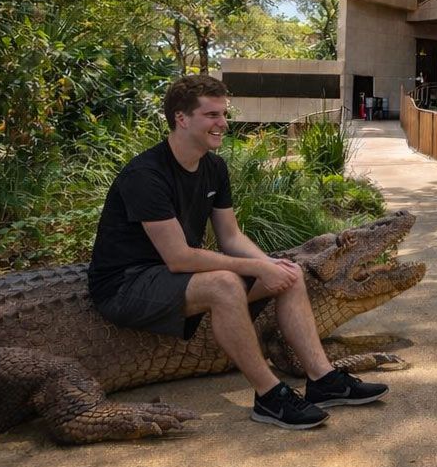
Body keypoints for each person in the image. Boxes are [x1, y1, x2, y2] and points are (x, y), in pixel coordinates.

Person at [88, 74, 388, 430]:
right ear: (181, 119)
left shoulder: (213, 167)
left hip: (170, 277)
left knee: (290, 273)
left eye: (223, 114)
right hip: (127, 284)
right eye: (212, 115)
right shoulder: (146, 175)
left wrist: (270, 265)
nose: (223, 123)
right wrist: (255, 268)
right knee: (225, 284)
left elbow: (230, 235)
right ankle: (269, 397)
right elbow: (179, 257)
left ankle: (323, 381)